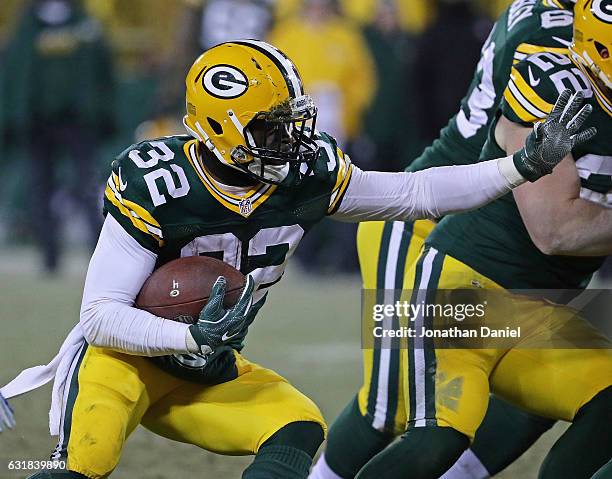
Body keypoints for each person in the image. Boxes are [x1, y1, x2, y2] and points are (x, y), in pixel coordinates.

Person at [1, 40, 592, 479]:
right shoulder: (162, 182)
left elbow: (415, 194)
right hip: (123, 361)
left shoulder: (305, 173)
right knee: (86, 462)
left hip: (206, 370)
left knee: (298, 426)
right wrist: (188, 335)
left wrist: (518, 168)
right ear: (221, 128)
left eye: (293, 119)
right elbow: (100, 314)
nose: (294, 138)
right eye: (272, 126)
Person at [311, 1, 577, 477]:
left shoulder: (547, 14)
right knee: (390, 405)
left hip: (502, 241)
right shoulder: (551, 32)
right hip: (430, 224)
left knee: (546, 391)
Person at [1, 0, 115, 273]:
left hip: (77, 120)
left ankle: (99, 254)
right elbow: (16, 72)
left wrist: (98, 112)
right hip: (39, 120)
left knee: (86, 185)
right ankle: (49, 255)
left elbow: (101, 71)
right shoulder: (28, 25)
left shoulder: (84, 23)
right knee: (40, 186)